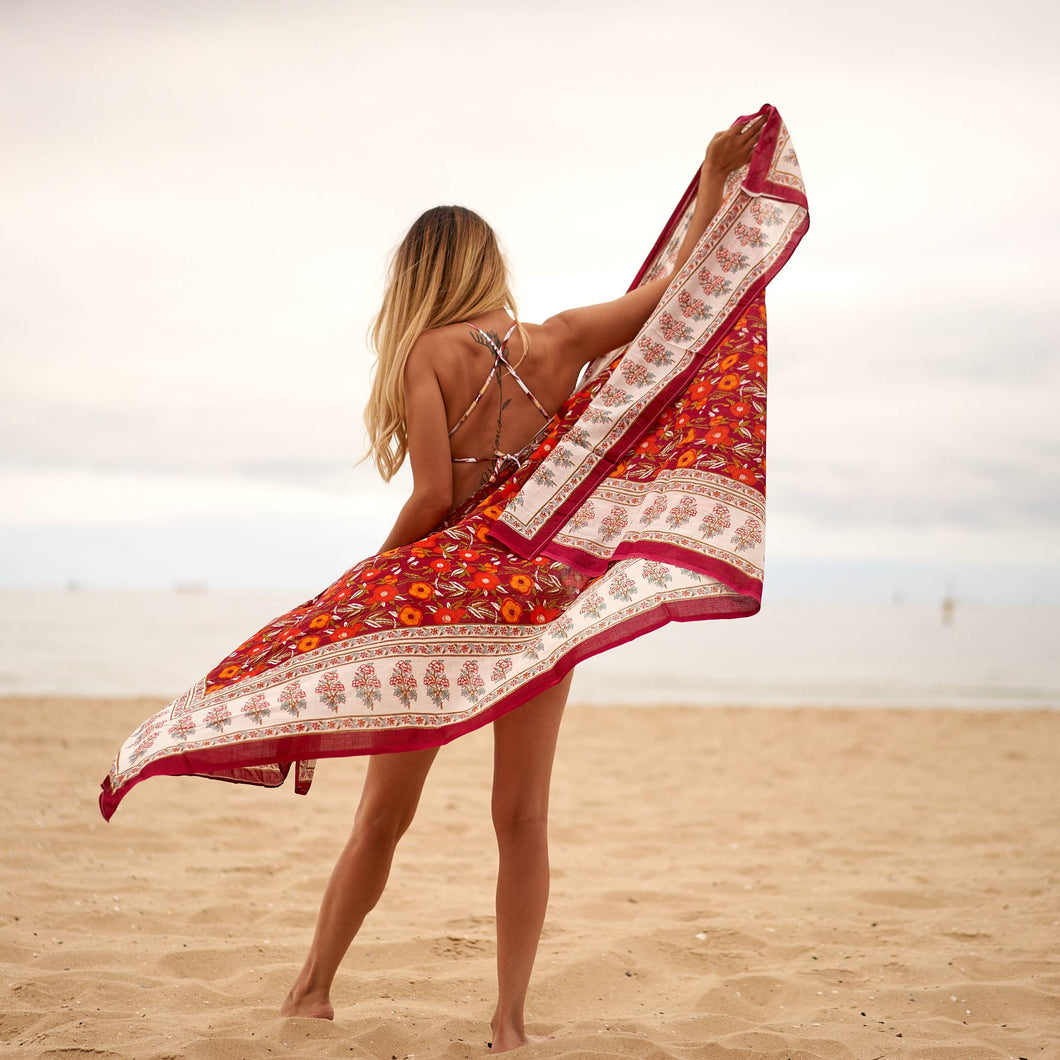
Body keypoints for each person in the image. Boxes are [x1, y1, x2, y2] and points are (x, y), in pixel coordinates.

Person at [278, 114, 766, 1051]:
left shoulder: (429, 353)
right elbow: (681, 298)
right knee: (523, 817)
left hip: (442, 604)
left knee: (384, 815)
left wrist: (367, 586)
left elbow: (430, 495)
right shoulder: (562, 339)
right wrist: (709, 181)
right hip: (536, 603)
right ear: (489, 265)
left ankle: (312, 992)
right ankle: (508, 1022)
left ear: (423, 277)